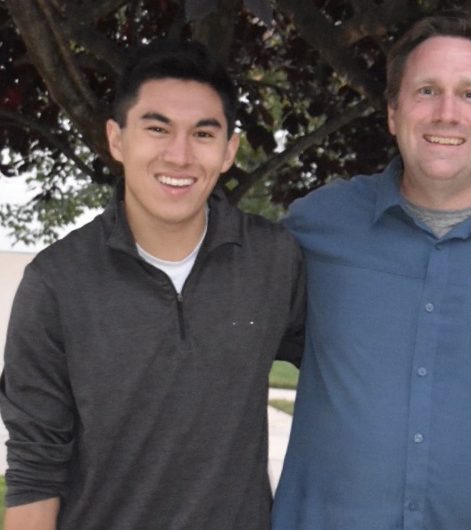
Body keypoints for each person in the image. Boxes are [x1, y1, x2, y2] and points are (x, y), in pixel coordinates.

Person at [273, 11, 471, 530]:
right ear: (394, 113)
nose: (447, 112)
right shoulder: (316, 226)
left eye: (470, 94)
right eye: (426, 90)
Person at [0, 40, 305, 529]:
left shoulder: (273, 261)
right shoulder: (55, 282)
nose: (179, 155)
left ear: (228, 151)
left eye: (203, 133)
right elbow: (36, 473)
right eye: (157, 128)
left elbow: (346, 372)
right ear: (117, 140)